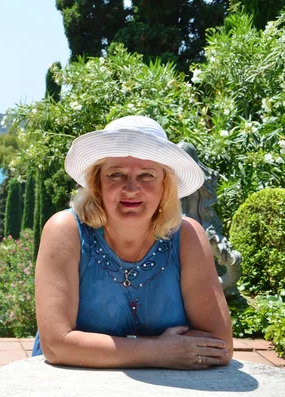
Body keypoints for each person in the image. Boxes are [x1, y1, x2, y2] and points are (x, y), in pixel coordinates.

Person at [32, 115, 233, 370]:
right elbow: (56, 345)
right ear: (97, 183)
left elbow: (219, 345)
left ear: (165, 185)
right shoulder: (66, 231)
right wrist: (159, 352)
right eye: (116, 174)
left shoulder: (188, 237)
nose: (131, 188)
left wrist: (98, 349)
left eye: (147, 175)